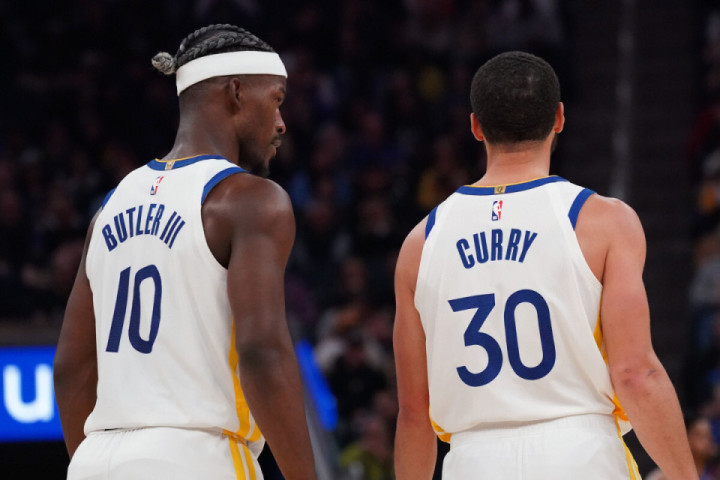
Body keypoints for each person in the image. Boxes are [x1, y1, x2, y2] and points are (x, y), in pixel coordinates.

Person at [393, 51, 697, 479]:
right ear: (559, 118)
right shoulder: (604, 221)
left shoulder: (420, 243)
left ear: (476, 126)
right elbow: (635, 374)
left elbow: (413, 411)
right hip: (580, 453)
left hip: (472, 460)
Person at [53, 24, 316, 480]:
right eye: (276, 100)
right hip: (197, 456)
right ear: (236, 92)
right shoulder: (250, 200)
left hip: (95, 459)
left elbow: (70, 367)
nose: (281, 123)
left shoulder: (110, 206)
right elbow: (261, 352)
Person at [646, 414, 718, 480]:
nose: (707, 441)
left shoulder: (714, 475)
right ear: (685, 439)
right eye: (700, 436)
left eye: (709, 436)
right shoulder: (663, 477)